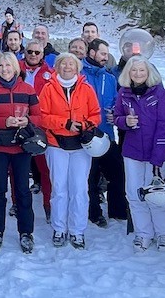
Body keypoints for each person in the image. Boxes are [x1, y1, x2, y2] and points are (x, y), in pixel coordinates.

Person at [0, 52, 40, 253]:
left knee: (22, 190)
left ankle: (26, 232)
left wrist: (27, 121)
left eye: (8, 66)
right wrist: (3, 122)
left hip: (22, 147)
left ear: (15, 68)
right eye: (1, 66)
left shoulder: (27, 89)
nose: (4, 69)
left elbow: (40, 117)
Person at [36, 52, 100, 249]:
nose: (67, 67)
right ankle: (59, 228)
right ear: (57, 67)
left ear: (77, 68)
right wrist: (65, 123)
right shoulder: (48, 89)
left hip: (81, 145)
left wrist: (84, 124)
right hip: (57, 144)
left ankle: (77, 230)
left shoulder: (87, 89)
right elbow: (42, 117)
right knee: (60, 189)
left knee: (80, 189)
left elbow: (96, 115)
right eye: (63, 64)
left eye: (71, 64)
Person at [113, 55, 165, 253]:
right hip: (133, 151)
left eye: (142, 70)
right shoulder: (124, 92)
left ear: (149, 73)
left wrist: (158, 156)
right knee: (134, 194)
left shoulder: (160, 93)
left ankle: (163, 234)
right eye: (134, 70)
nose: (138, 74)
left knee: (156, 195)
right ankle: (143, 233)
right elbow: (118, 117)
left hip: (157, 152)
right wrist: (124, 123)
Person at [83, 38, 127, 227]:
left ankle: (118, 210)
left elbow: (117, 102)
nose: (105, 57)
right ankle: (94, 213)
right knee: (90, 177)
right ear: (92, 53)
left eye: (107, 54)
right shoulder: (80, 75)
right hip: (87, 136)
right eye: (102, 53)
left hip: (107, 135)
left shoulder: (109, 78)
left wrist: (115, 114)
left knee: (117, 172)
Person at [21, 33, 54, 211]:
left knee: (45, 168)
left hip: (41, 124)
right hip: (19, 121)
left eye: (37, 52)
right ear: (25, 52)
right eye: (30, 51)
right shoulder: (16, 68)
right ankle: (18, 203)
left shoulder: (50, 73)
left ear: (42, 55)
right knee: (18, 169)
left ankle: (48, 203)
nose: (33, 55)